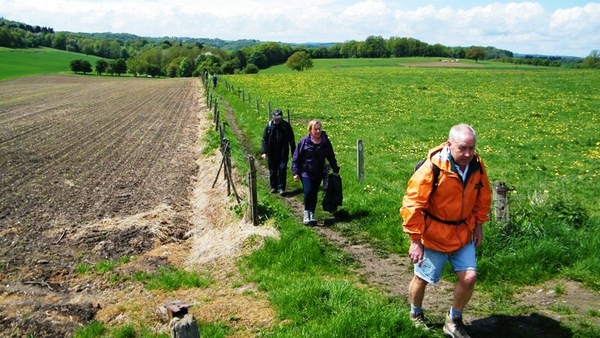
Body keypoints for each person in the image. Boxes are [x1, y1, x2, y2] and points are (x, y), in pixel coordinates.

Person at [400, 124, 491, 338]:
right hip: (434, 235)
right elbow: (413, 204)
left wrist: (479, 225)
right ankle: (415, 315)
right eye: (463, 148)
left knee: (469, 277)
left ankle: (454, 320)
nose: (468, 153)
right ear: (449, 145)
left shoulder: (477, 165)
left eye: (472, 148)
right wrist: (415, 240)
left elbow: (483, 196)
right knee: (422, 279)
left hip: (463, 232)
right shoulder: (432, 168)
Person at [292, 120, 340, 225]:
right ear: (310, 130)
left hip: (318, 173)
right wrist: (295, 173)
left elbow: (331, 156)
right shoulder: (304, 142)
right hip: (306, 172)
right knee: (308, 191)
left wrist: (335, 169)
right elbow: (296, 158)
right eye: (315, 129)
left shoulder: (325, 142)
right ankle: (306, 214)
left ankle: (312, 214)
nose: (318, 131)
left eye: (319, 129)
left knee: (314, 193)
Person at [261, 109, 296, 195]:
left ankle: (281, 188)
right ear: (273, 118)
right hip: (271, 153)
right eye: (275, 118)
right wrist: (264, 152)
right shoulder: (269, 127)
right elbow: (264, 140)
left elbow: (291, 140)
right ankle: (273, 187)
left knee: (282, 169)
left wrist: (294, 153)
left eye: (278, 118)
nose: (277, 120)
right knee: (272, 170)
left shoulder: (286, 126)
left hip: (283, 153)